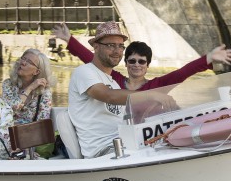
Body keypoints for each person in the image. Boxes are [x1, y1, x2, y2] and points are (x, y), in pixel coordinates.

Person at [66, 21, 175, 158]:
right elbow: (108, 96)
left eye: (120, 46)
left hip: (124, 144)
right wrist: (151, 95)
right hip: (103, 151)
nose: (117, 51)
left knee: (174, 141)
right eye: (111, 45)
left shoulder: (113, 83)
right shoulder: (84, 72)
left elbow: (125, 118)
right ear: (96, 47)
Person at [54, 22, 231, 91]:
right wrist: (70, 40)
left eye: (142, 61)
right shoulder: (115, 79)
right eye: (132, 61)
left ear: (147, 65)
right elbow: (92, 59)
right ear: (126, 63)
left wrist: (208, 58)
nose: (137, 65)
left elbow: (183, 72)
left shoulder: (157, 85)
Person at [0, 48, 52, 125]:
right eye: (23, 59)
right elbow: (7, 111)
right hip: (6, 130)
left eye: (29, 62)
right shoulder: (8, 84)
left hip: (31, 131)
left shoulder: (44, 93)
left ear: (36, 72)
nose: (23, 63)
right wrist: (29, 88)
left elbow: (43, 123)